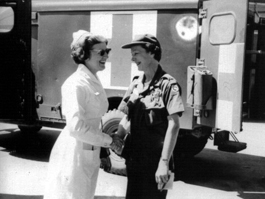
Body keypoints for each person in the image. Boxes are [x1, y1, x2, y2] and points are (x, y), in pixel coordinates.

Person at [43, 30, 123, 199]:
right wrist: (108, 141)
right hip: (74, 153)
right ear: (84, 54)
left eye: (107, 51)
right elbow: (75, 127)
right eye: (101, 52)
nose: (106, 56)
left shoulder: (91, 79)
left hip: (88, 150)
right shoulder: (75, 83)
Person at [116, 34, 185, 199]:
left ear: (152, 52)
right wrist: (117, 137)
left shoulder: (168, 84)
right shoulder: (135, 83)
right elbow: (127, 117)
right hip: (134, 159)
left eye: (136, 53)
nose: (132, 58)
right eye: (132, 54)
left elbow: (174, 125)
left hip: (157, 162)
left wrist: (164, 163)